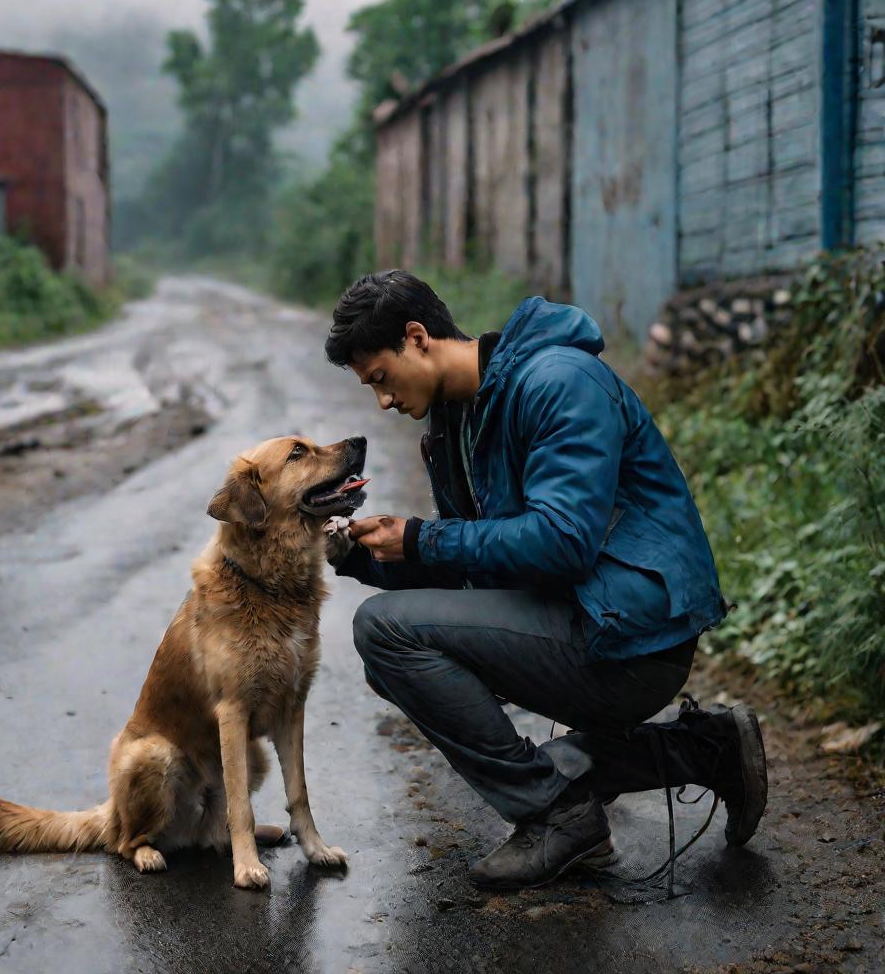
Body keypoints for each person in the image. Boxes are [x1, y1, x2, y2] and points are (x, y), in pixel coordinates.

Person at [322, 269, 768, 891]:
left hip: (630, 638)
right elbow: (479, 560)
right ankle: (706, 750)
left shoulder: (558, 381)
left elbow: (563, 541)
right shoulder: (456, 421)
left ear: (418, 338)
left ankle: (558, 815)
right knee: (391, 657)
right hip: (573, 618)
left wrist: (423, 536)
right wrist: (364, 558)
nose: (383, 402)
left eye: (380, 379)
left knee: (385, 631)